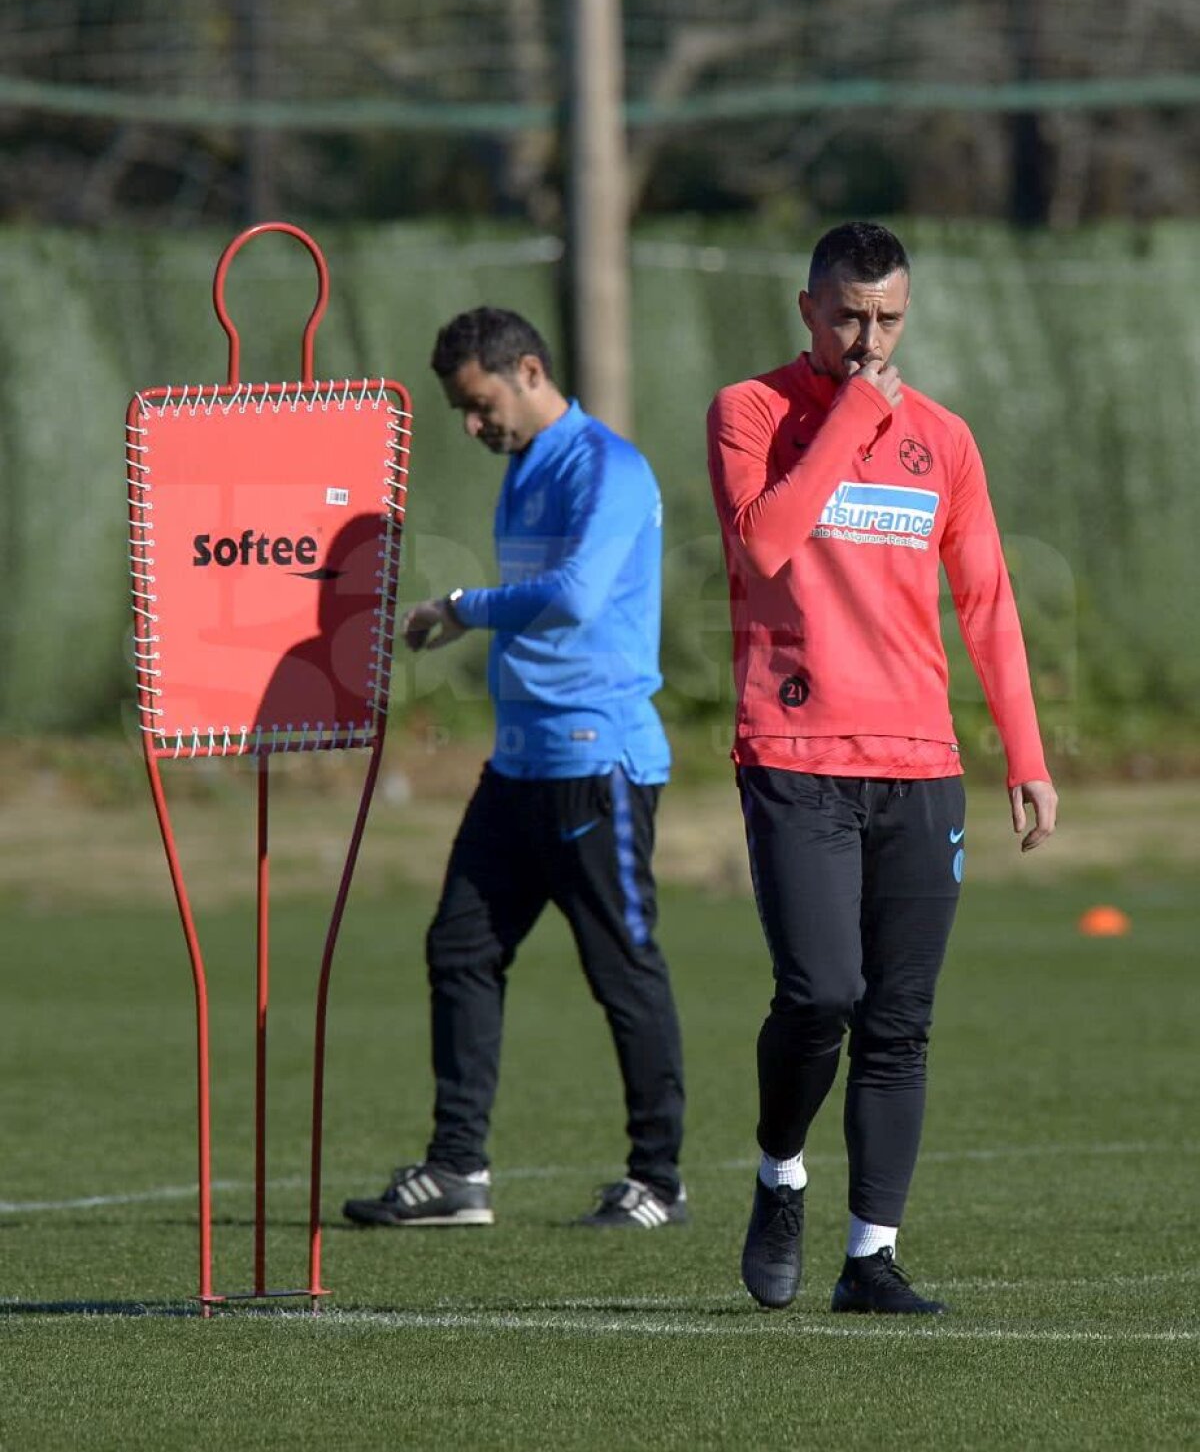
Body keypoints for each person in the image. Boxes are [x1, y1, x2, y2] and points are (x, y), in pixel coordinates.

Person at [706, 222, 1057, 1313]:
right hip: (796, 753)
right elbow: (765, 541)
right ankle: (779, 1172)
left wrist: (1025, 755)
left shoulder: (944, 439)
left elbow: (988, 601)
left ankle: (870, 1259)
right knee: (820, 995)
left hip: (920, 767)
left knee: (898, 1020)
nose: (869, 338)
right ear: (807, 308)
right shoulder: (749, 412)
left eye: (889, 319)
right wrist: (857, 411)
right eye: (849, 315)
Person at [344, 306, 687, 1232]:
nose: (472, 424)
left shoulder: (609, 467)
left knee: (621, 967)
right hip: (520, 762)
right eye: (461, 408)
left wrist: (464, 603)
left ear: (528, 371)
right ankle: (459, 1173)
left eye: (479, 402)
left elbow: (575, 598)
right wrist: (473, 619)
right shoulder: (525, 469)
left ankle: (657, 1180)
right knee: (459, 946)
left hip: (596, 761)